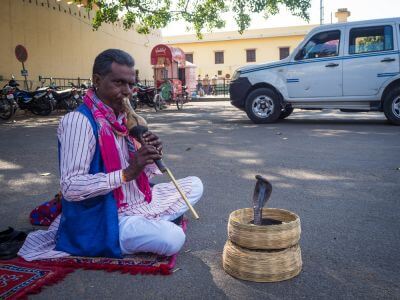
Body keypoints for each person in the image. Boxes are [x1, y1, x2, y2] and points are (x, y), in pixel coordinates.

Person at [18, 49, 203, 261]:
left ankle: (146, 224)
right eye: (119, 83)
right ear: (97, 80)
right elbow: (70, 188)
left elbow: (142, 173)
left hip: (135, 199)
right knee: (172, 238)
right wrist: (126, 174)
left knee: (196, 184)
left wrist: (150, 157)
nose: (127, 92)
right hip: (104, 215)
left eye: (131, 84)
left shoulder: (125, 119)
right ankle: (147, 226)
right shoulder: (78, 122)